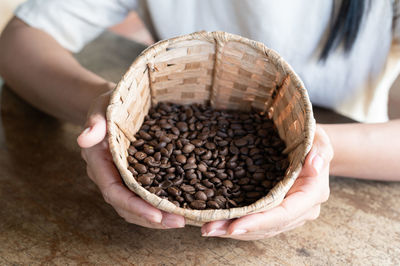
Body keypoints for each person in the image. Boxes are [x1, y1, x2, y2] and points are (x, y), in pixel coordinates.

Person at [0, 0, 399, 241]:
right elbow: (21, 41)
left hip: (347, 138)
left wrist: (314, 150)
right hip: (168, 107)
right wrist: (107, 109)